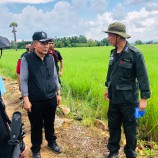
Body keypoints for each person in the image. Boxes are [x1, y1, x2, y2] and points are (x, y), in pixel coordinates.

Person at [103, 22, 151, 158]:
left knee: (130, 130)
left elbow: (143, 77)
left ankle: (130, 153)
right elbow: (110, 72)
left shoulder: (135, 54)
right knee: (113, 126)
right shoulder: (113, 53)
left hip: (129, 101)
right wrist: (108, 87)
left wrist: (144, 98)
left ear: (118, 36)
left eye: (110, 35)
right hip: (114, 99)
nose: (108, 38)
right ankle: (113, 152)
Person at [20, 31, 62, 158]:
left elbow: (55, 77)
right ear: (34, 44)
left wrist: (58, 93)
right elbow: (24, 80)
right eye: (42, 43)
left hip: (50, 98)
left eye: (47, 43)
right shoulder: (27, 59)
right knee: (36, 125)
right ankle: (36, 149)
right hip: (35, 100)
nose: (46, 46)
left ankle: (51, 142)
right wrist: (26, 99)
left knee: (50, 122)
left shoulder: (50, 58)